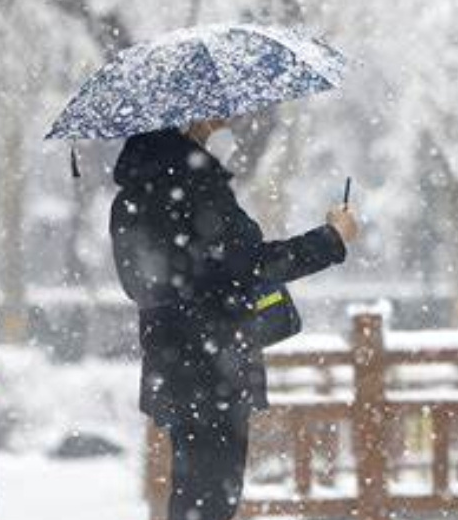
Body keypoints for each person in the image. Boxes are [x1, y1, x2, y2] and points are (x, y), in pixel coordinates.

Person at [108, 118, 358, 520]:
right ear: (188, 116)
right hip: (215, 367)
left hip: (173, 369)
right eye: (209, 107)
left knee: (193, 495)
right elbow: (253, 264)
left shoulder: (129, 200)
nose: (224, 114)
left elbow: (136, 285)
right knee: (213, 498)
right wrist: (332, 238)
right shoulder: (198, 186)